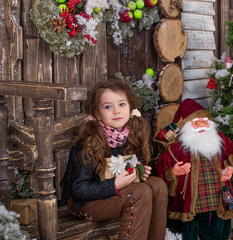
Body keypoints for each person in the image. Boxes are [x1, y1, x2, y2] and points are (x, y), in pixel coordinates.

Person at [60, 79, 168, 240]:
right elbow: (79, 191)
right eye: (108, 106)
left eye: (122, 104)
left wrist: (138, 171)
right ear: (97, 113)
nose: (117, 111)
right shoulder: (88, 143)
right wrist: (116, 184)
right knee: (139, 192)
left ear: (130, 107)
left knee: (157, 185)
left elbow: (128, 169)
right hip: (84, 204)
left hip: (116, 196)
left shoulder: (133, 133)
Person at [156, 99, 233, 240]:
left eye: (205, 121)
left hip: (217, 202)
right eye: (196, 123)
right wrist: (173, 172)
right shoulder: (177, 149)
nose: (202, 126)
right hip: (189, 206)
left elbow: (231, 155)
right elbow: (161, 169)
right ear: (188, 125)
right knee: (187, 235)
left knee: (218, 235)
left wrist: (229, 168)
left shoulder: (220, 140)